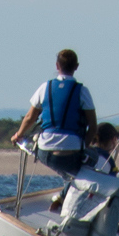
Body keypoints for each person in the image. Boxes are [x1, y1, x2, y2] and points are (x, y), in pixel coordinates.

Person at [7, 49, 97, 179]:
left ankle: (68, 185)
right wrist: (83, 146)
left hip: (46, 151)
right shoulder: (82, 91)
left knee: (67, 173)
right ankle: (70, 187)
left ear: (57, 65)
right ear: (76, 67)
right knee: (93, 157)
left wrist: (18, 135)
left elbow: (30, 117)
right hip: (72, 151)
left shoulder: (45, 87)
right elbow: (93, 126)